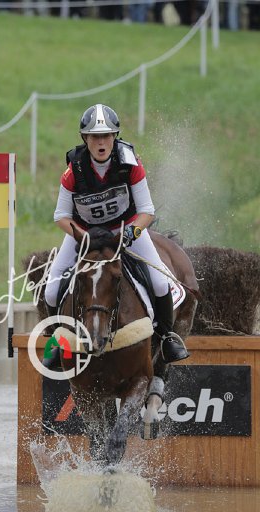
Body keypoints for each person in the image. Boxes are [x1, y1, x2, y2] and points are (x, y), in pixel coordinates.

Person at [43, 103, 189, 368]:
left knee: (159, 283)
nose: (101, 142)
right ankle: (57, 339)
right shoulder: (73, 171)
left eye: (106, 135)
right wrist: (83, 236)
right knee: (52, 290)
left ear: (114, 137)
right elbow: (60, 216)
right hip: (85, 233)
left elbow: (146, 211)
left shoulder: (131, 164)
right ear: (85, 138)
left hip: (125, 230)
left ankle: (166, 337)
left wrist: (130, 233)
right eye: (94, 136)